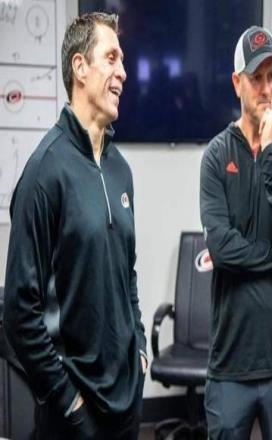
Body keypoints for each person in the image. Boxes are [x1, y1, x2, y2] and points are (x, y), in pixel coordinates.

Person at [3, 12, 147, 440]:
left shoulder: (120, 170)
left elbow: (127, 273)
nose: (123, 72)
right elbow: (19, 312)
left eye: (123, 61)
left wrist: (139, 347)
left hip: (127, 403)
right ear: (79, 67)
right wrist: (67, 401)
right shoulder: (44, 172)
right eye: (111, 58)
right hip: (74, 415)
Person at [200, 25, 272, 439]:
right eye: (256, 78)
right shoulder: (216, 156)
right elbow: (222, 248)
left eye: (270, 77)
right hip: (230, 365)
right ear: (237, 83)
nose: (266, 88)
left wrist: (268, 156)